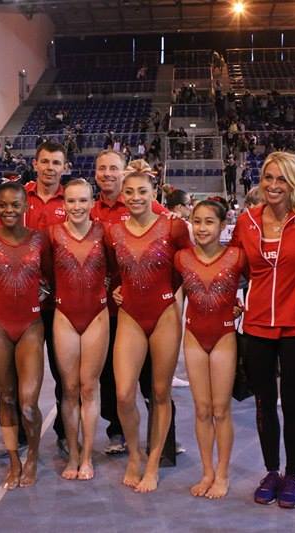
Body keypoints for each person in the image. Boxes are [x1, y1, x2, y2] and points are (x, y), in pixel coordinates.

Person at [230, 151, 295, 509]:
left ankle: (294, 474)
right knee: (264, 403)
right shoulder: (247, 221)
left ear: (294, 182)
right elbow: (232, 264)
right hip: (257, 324)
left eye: (281, 179)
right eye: (268, 177)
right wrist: (230, 296)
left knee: (292, 403)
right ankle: (272, 471)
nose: (273, 185)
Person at [105, 159, 192, 493]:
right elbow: (114, 269)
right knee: (124, 393)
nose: (136, 197)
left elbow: (189, 264)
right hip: (130, 315)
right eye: (129, 192)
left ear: (154, 193)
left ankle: (153, 463)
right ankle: (134, 454)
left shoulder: (173, 227)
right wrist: (116, 287)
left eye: (142, 191)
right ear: (122, 195)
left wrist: (176, 295)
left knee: (159, 392)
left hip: (164, 313)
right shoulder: (115, 231)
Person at [90, 149, 171, 456]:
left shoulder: (144, 203)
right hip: (108, 308)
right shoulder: (91, 210)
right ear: (95, 173)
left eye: (113, 168)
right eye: (102, 169)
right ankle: (117, 432)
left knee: (153, 378)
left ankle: (163, 438)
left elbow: (171, 241)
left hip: (147, 308)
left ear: (123, 173)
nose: (107, 174)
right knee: (112, 378)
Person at [0, 181, 52, 490]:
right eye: (3, 205)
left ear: (26, 206)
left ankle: (32, 455)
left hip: (30, 325)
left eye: (15, 205)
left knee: (27, 403)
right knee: (5, 396)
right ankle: (13, 460)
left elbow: (51, 275)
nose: (9, 210)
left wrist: (40, 296)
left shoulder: (39, 239)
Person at [175, 200, 245, 499]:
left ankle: (223, 473)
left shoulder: (236, 256)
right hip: (193, 337)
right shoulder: (181, 258)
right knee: (202, 409)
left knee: (220, 409)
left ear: (222, 225)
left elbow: (265, 280)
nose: (202, 228)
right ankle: (207, 472)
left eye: (209, 222)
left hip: (224, 336)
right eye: (197, 221)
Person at [47, 179, 109, 480]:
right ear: (63, 204)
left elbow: (121, 266)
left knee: (88, 387)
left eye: (83, 200)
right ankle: (72, 453)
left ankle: (87, 457)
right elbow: (40, 268)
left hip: (96, 315)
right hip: (64, 316)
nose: (77, 207)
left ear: (92, 202)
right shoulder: (52, 234)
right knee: (69, 389)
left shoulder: (104, 233)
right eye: (71, 201)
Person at [23, 141, 69, 452]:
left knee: (63, 371)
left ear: (64, 167)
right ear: (35, 164)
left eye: (56, 163)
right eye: (45, 161)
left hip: (60, 302)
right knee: (22, 373)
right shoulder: (18, 197)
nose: (50, 167)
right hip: (23, 301)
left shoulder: (73, 200)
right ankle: (21, 434)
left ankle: (65, 433)